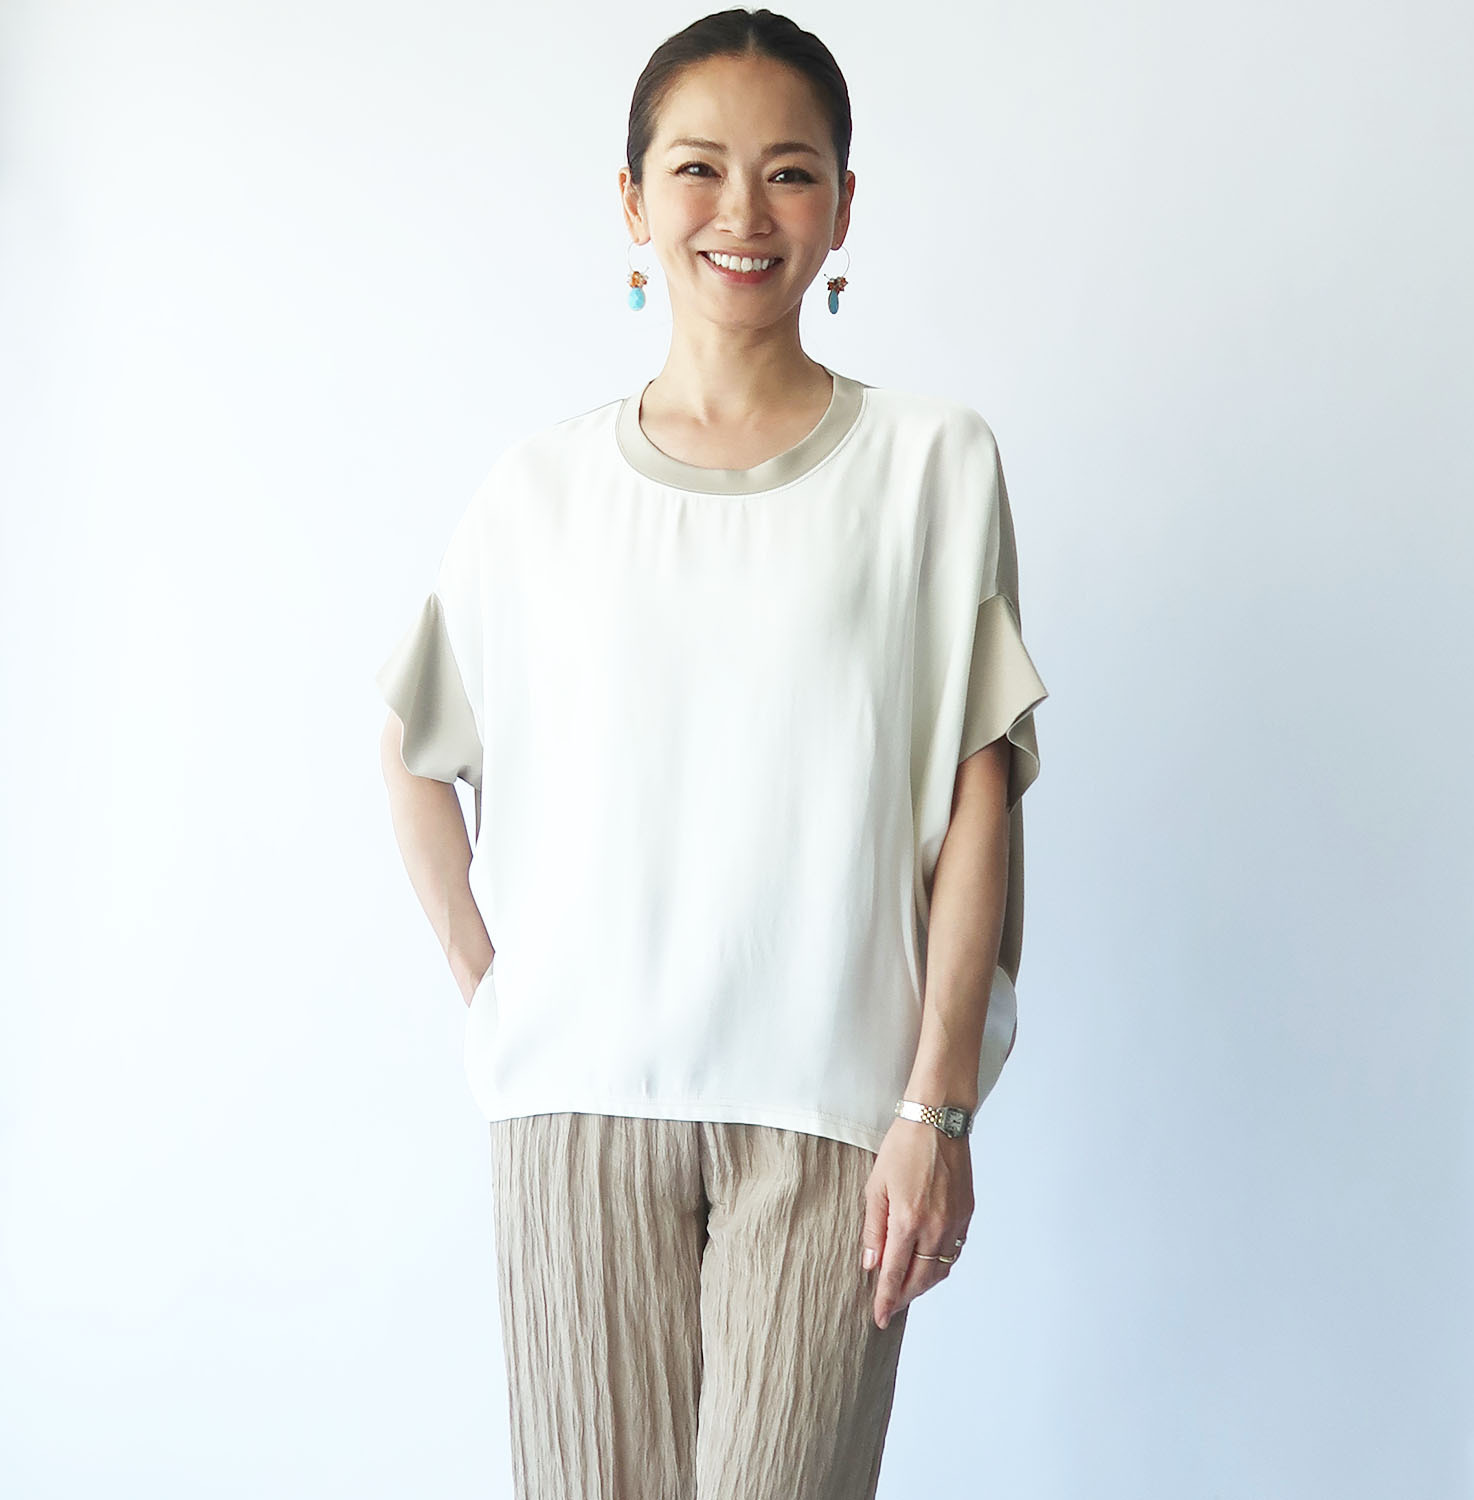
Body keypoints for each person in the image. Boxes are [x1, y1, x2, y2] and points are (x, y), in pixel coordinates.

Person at [374, 9, 1049, 1498]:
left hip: (832, 1121)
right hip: (575, 1122)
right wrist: (499, 991)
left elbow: (977, 797)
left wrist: (937, 1108)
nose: (743, 211)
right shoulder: (538, 491)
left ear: (844, 208)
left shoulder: (933, 467)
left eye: (790, 172)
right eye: (697, 168)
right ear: (632, 201)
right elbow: (415, 749)